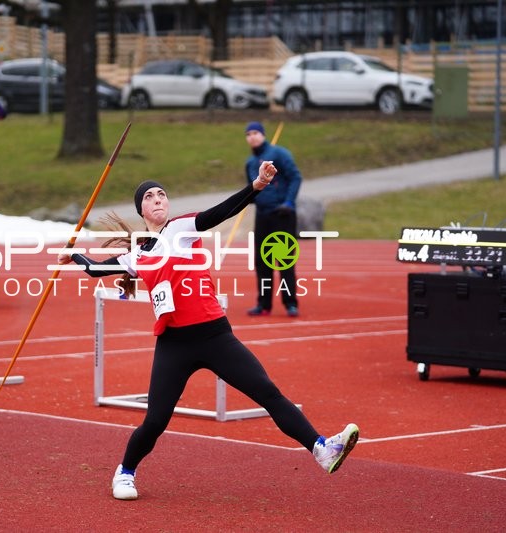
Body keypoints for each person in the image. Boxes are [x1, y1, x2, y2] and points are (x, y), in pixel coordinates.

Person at [58, 164, 359, 501]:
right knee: (156, 421)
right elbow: (98, 270)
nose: (157, 199)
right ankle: (125, 472)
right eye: (149, 196)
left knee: (268, 393)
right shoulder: (138, 255)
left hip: (215, 336)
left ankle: (321, 449)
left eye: (161, 194)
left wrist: (256, 186)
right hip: (175, 344)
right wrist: (73, 254)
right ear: (141, 209)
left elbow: (220, 212)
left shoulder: (182, 228)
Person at [244, 121, 303, 318]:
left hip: (282, 214)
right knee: (262, 261)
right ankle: (264, 304)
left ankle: (290, 303)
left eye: (255, 133)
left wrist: (288, 202)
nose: (252, 136)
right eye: (248, 134)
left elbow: (295, 177)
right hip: (263, 215)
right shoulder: (250, 163)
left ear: (263, 134)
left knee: (284, 260)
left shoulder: (279, 154)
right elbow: (252, 187)